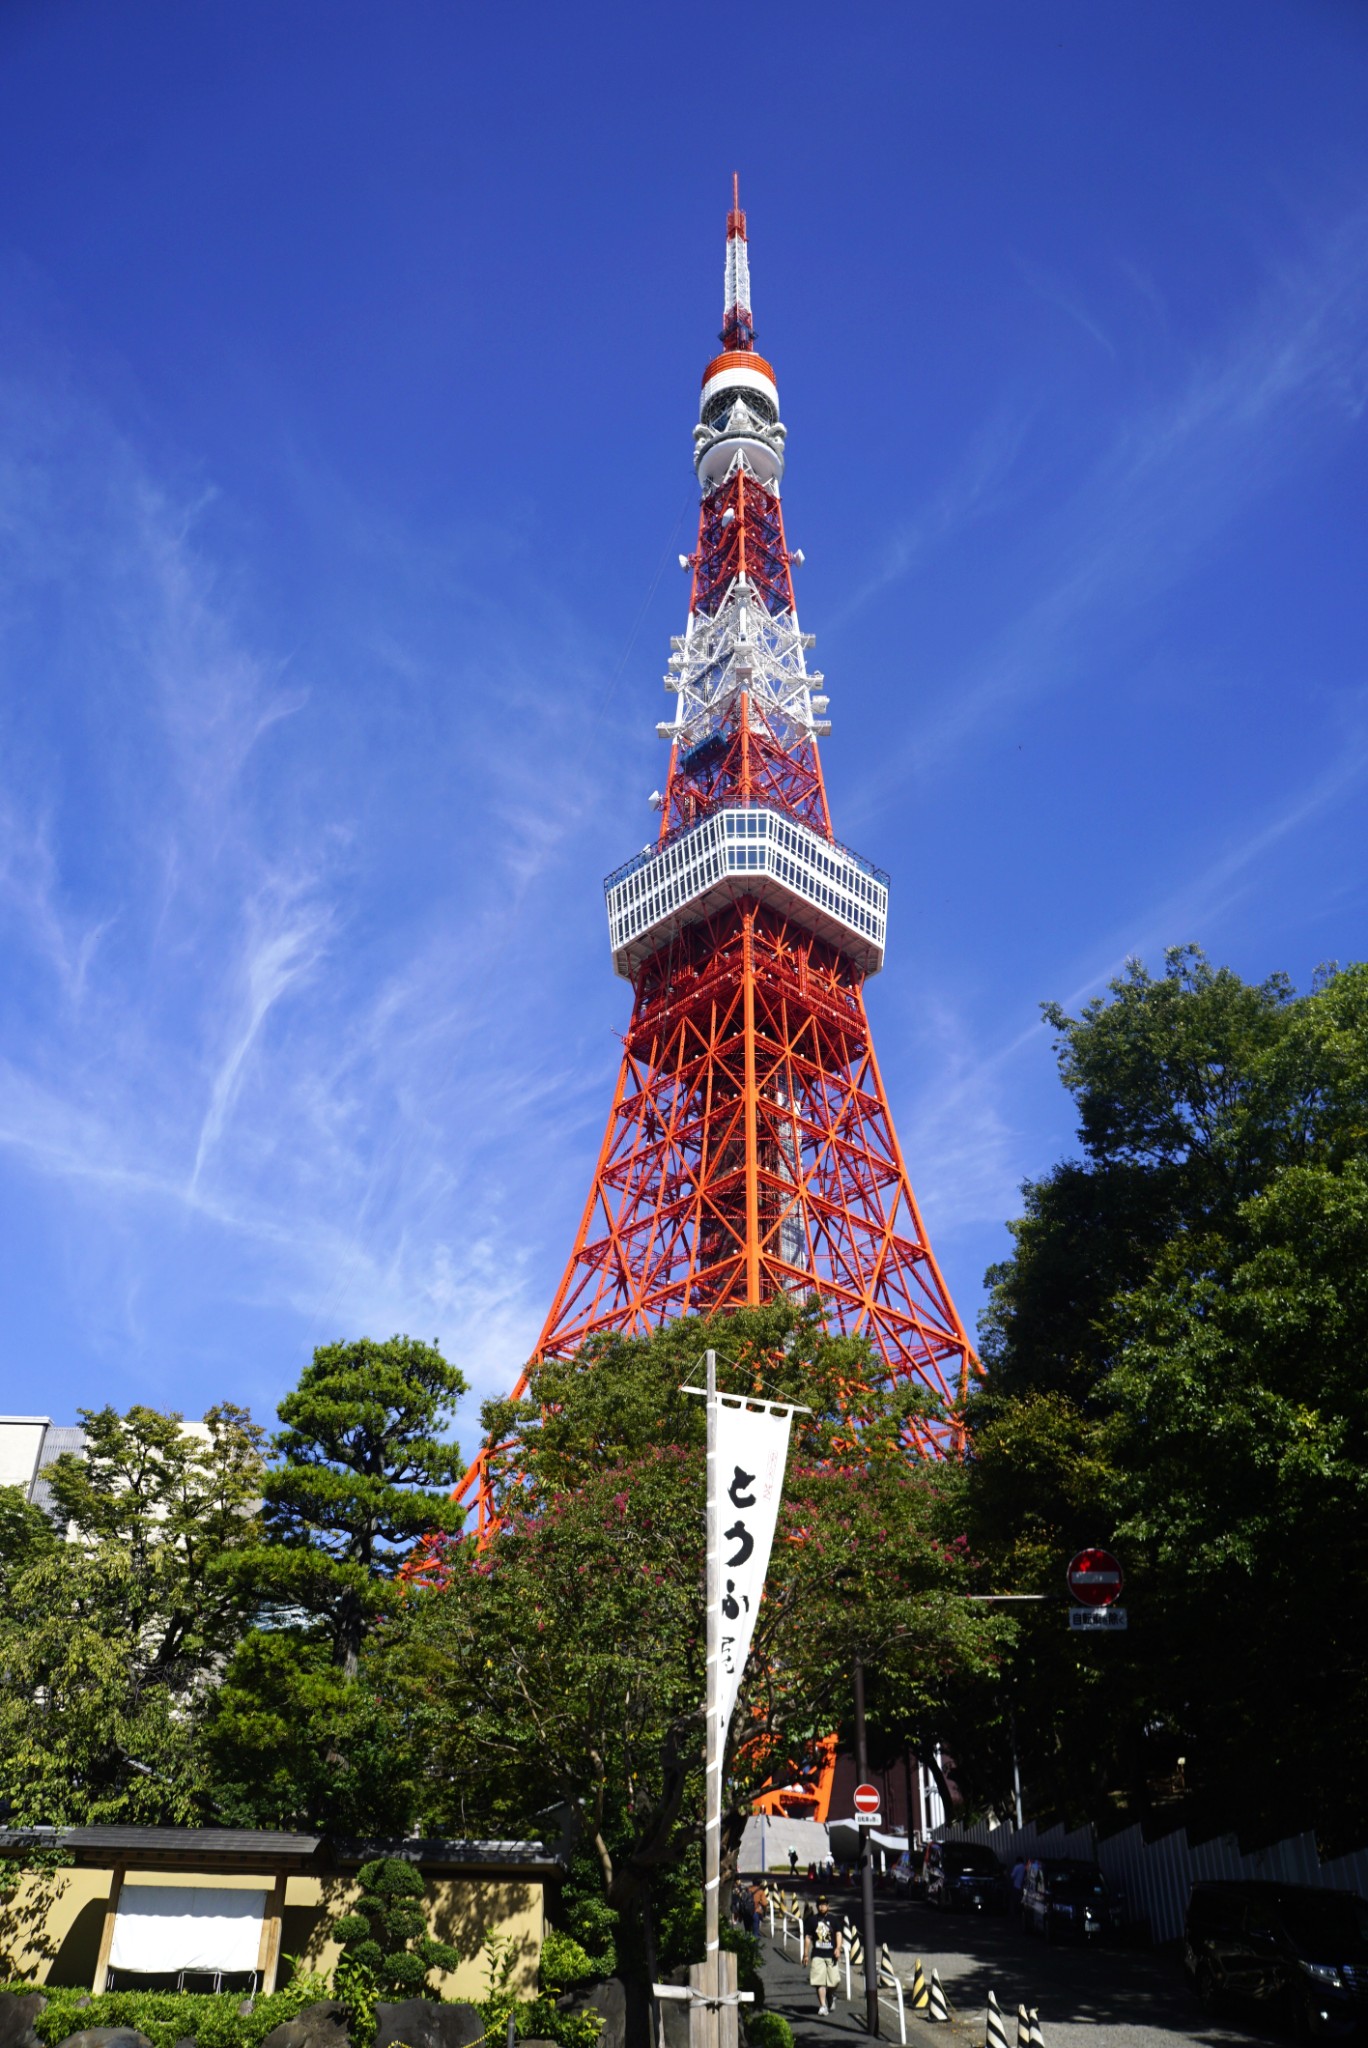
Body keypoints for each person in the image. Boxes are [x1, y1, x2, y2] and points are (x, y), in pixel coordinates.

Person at [802, 1894, 843, 2017]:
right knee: (819, 1982)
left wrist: (838, 1948)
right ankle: (823, 2005)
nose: (822, 1906)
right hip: (818, 1954)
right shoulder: (812, 1920)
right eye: (820, 1904)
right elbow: (808, 1937)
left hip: (831, 1954)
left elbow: (838, 1934)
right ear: (817, 1906)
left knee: (834, 1981)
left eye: (824, 1904)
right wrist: (805, 1954)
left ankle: (830, 1995)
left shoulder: (834, 1919)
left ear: (828, 1906)